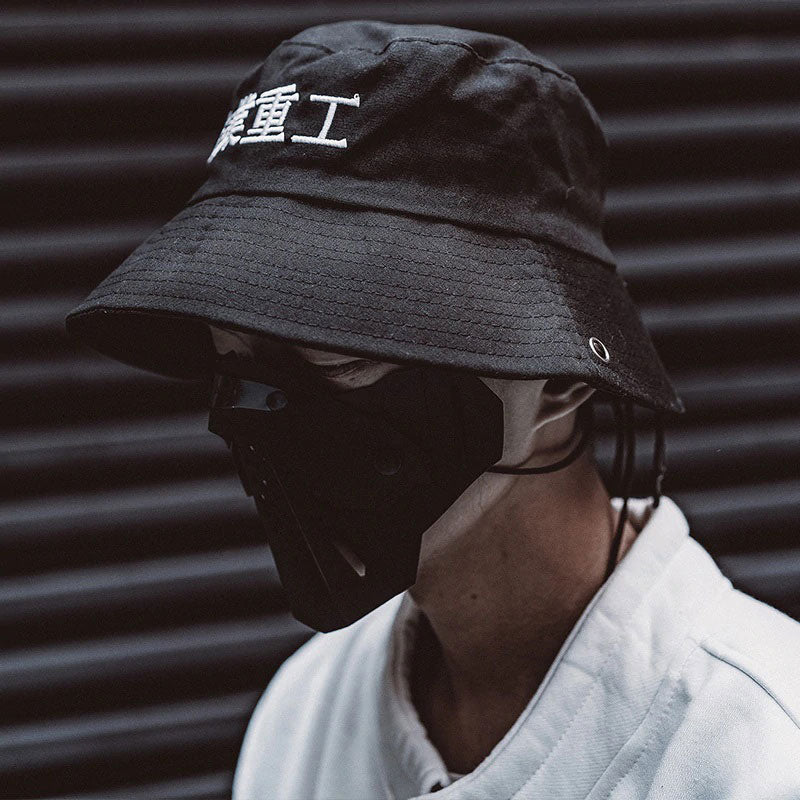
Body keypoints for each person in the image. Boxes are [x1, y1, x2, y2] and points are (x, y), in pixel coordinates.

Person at [66, 20, 800, 800]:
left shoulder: (755, 752)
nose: (260, 416)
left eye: (338, 357)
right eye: (233, 364)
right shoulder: (306, 714)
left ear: (561, 379)